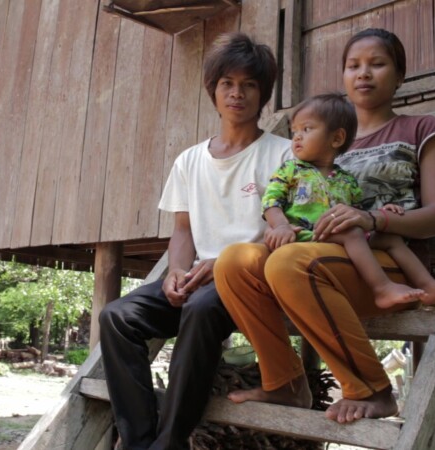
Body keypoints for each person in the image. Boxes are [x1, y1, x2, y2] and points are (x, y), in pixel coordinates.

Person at [214, 28, 435, 425]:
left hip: (383, 262)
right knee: (234, 261)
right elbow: (278, 195)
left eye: (377, 64)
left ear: (400, 75)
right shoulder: (316, 140)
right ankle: (283, 381)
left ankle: (372, 389)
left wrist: (371, 217)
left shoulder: (422, 129)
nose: (363, 74)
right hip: (315, 256)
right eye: (354, 66)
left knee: (289, 263)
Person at [99, 32, 291, 450]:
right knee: (117, 317)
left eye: (249, 85)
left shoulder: (284, 154)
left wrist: (221, 267)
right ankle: (138, 441)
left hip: (251, 283)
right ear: (214, 90)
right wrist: (178, 273)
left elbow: (292, 236)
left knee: (202, 307)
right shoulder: (189, 160)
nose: (237, 94)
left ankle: (168, 444)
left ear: (264, 94)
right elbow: (183, 231)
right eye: (227, 84)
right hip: (199, 279)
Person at [263, 92, 435, 308]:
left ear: (337, 138)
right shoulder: (290, 170)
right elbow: (271, 201)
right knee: (351, 233)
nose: (296, 137)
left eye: (306, 129)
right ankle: (382, 288)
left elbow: (358, 211)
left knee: (391, 239)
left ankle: (428, 284)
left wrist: (385, 209)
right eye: (294, 131)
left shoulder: (346, 179)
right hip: (306, 233)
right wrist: (280, 226)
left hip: (337, 236)